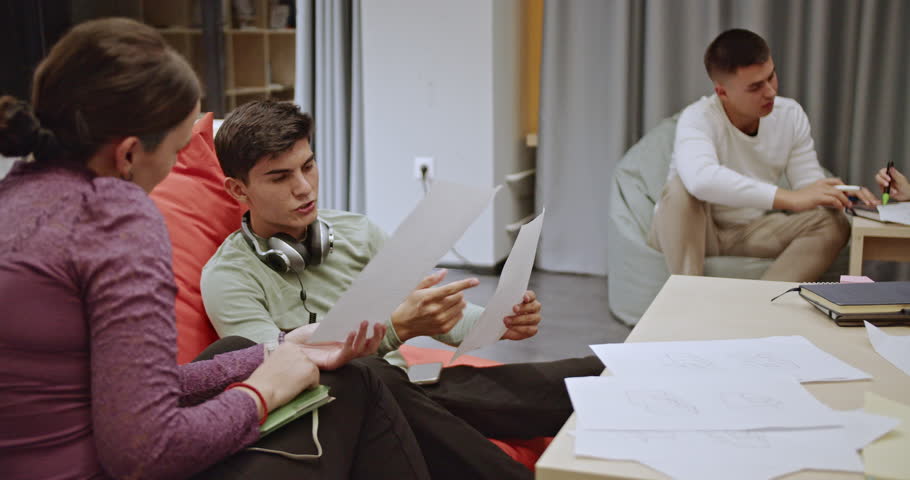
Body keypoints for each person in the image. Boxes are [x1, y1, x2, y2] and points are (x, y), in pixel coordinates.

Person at [0, 18, 431, 480]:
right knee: (353, 380)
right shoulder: (116, 219)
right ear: (127, 155)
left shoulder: (16, 195)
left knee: (243, 350)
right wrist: (262, 393)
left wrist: (277, 350)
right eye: (177, 151)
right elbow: (147, 452)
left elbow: (128, 388)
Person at [200, 100, 604, 480]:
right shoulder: (228, 278)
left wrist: (499, 321)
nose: (304, 188)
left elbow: (435, 314)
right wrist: (395, 330)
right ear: (238, 190)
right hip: (335, 408)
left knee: (593, 375)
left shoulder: (356, 232)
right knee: (371, 373)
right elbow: (280, 376)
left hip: (409, 386)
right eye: (281, 177)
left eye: (308, 166)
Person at [647, 28, 878, 282]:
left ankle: (763, 305)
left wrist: (840, 194)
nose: (770, 92)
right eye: (756, 86)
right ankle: (689, 297)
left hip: (749, 230)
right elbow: (701, 180)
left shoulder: (789, 115)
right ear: (722, 92)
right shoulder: (697, 118)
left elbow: (807, 185)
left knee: (834, 223)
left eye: (771, 76)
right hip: (692, 231)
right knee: (680, 189)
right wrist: (789, 199)